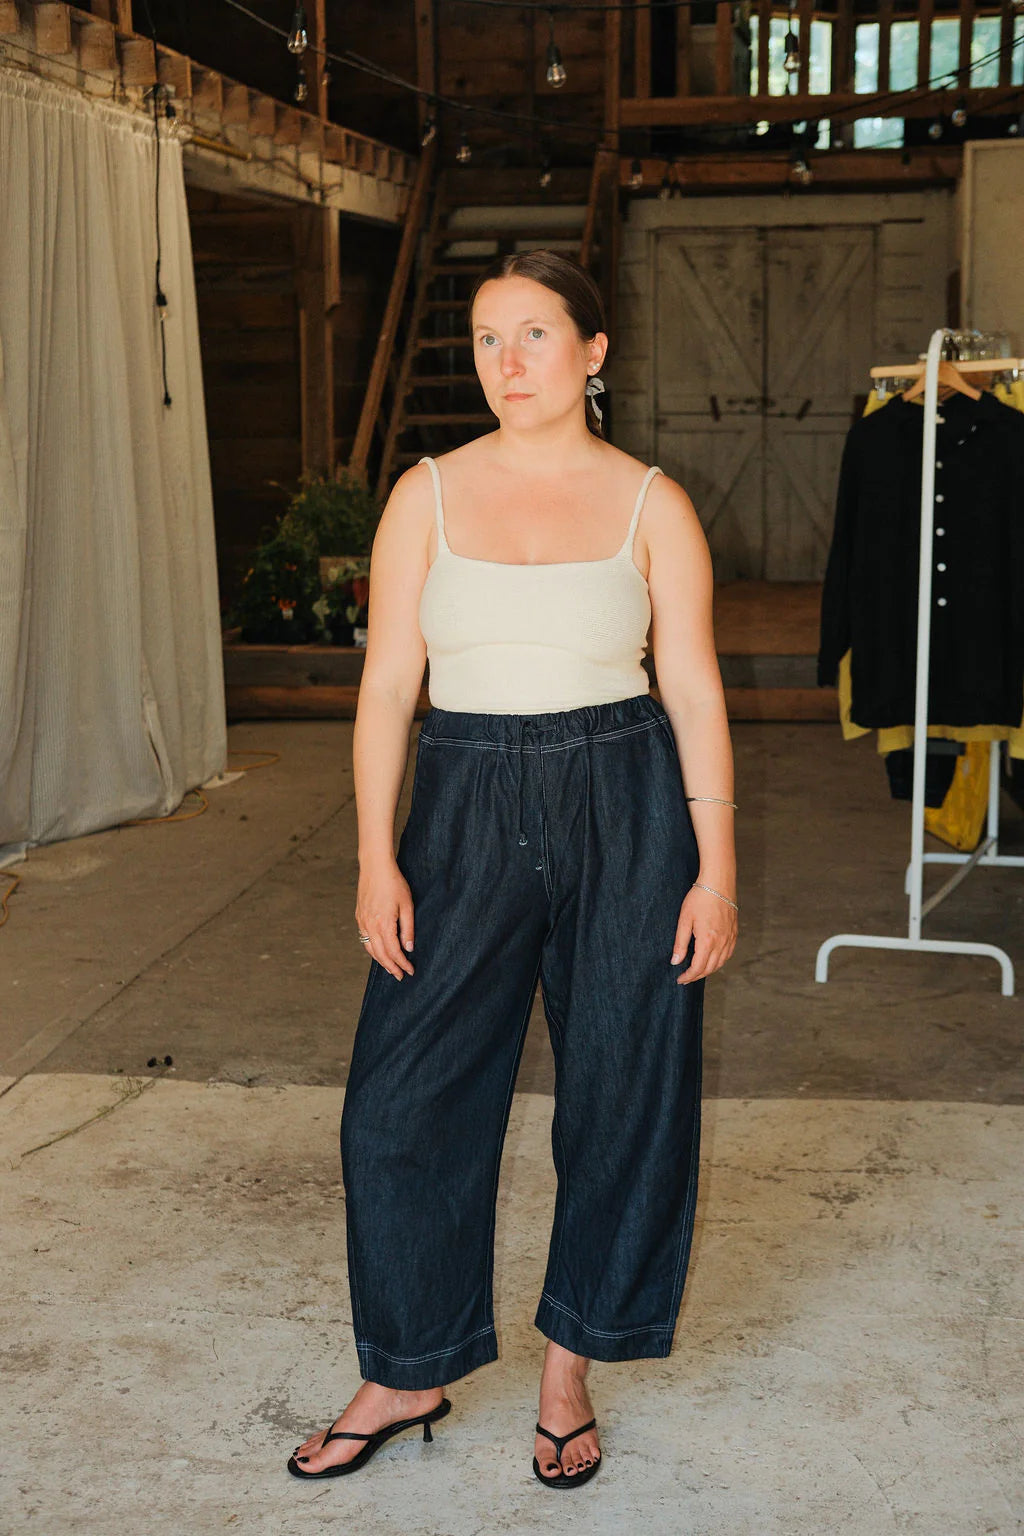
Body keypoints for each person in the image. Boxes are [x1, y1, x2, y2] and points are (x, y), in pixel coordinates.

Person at [288, 249, 738, 1488]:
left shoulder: (656, 503)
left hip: (627, 798)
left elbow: (692, 688)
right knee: (398, 1099)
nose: (508, 363)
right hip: (465, 802)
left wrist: (716, 867)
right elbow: (389, 688)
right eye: (488, 339)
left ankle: (569, 1364)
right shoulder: (423, 493)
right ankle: (409, 1364)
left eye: (535, 335)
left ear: (594, 353)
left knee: (623, 1091)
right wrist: (376, 857)